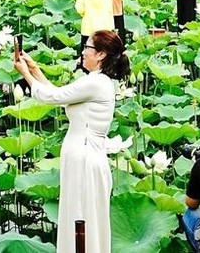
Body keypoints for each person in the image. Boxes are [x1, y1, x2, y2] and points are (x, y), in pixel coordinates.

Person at [14, 30, 130, 253]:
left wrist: (25, 75)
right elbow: (60, 95)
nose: (83, 52)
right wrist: (34, 69)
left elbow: (51, 97)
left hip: (85, 159)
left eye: (87, 47)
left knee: (81, 217)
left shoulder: (97, 83)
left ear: (101, 55)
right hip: (83, 156)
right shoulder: (95, 81)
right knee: (79, 216)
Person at [75, 0, 114, 69]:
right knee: (103, 58)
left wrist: (85, 14)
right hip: (104, 29)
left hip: (88, 28)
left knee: (87, 56)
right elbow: (110, 9)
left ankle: (86, 76)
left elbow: (79, 9)